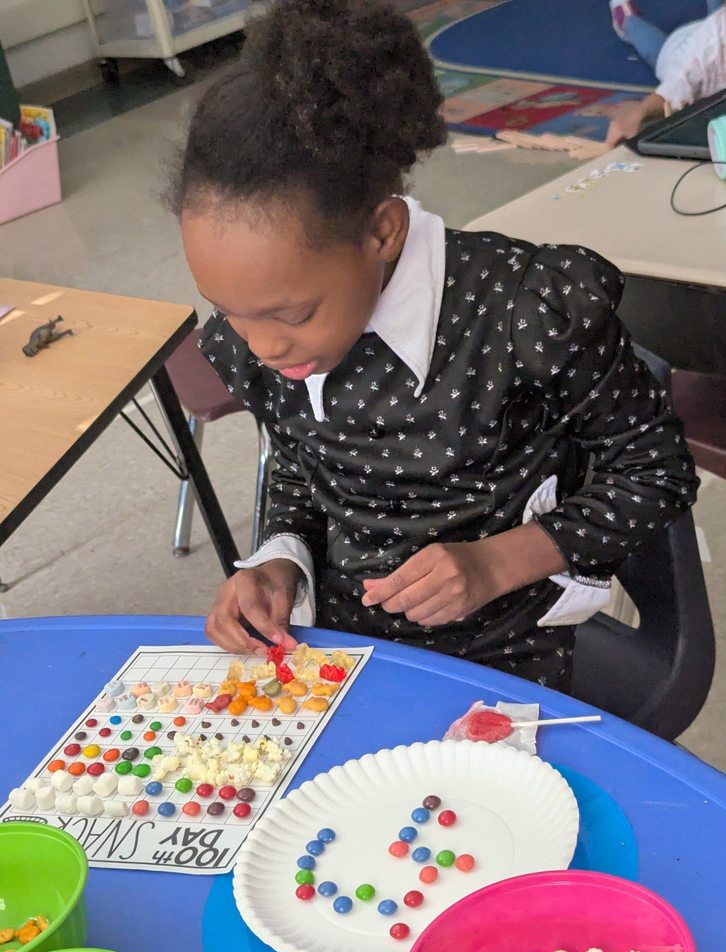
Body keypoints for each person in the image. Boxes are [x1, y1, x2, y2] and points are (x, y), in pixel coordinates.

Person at [171, 0, 698, 692]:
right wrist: (279, 561)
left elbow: (656, 471)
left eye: (291, 313)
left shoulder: (524, 312)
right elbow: (302, 463)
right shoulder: (257, 344)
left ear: (383, 232)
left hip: (510, 654)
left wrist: (497, 562)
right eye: (228, 313)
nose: (262, 344)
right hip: (342, 649)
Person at [606, 0, 726, 146]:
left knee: (725, 18)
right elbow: (674, 87)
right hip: (675, 49)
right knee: (653, 47)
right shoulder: (703, 49)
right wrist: (641, 111)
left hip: (715, 29)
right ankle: (626, 17)